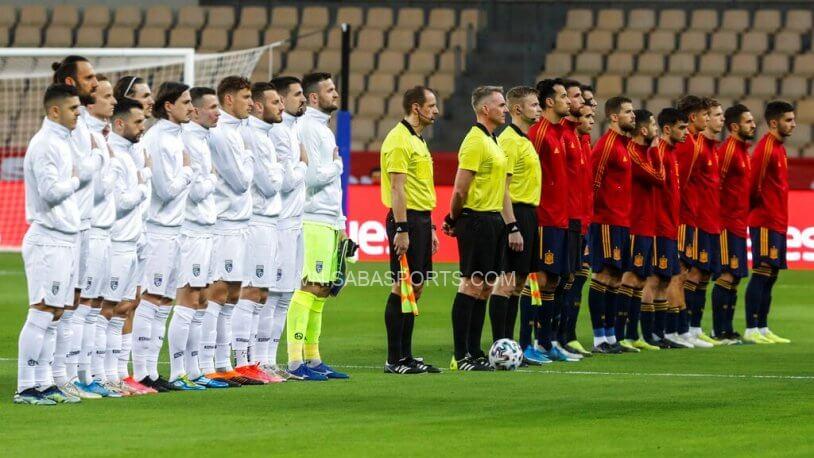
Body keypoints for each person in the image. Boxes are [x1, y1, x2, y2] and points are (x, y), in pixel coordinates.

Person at [16, 84, 83, 405]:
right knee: (42, 312)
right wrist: (76, 178)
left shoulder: (62, 142)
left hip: (65, 239)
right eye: (73, 108)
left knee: (56, 314)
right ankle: (26, 387)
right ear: (54, 111)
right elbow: (50, 192)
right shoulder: (44, 145)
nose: (78, 113)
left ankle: (44, 383)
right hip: (48, 240)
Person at [286, 72, 350, 380]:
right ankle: (295, 361)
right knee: (309, 286)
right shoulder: (309, 128)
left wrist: (340, 222)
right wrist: (337, 166)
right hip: (311, 218)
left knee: (323, 290)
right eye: (330, 90)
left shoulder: (321, 129)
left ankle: (313, 358)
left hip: (327, 219)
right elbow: (309, 176)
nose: (336, 94)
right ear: (314, 98)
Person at [132, 82, 194, 392]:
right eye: (185, 101)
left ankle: (153, 372)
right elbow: (167, 190)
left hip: (175, 231)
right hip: (158, 231)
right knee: (151, 299)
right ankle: (142, 371)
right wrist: (188, 171)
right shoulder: (157, 139)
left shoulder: (176, 137)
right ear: (168, 106)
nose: (190, 107)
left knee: (165, 301)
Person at [442, 86, 510, 372]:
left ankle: (474, 350)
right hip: (476, 218)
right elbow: (460, 189)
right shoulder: (474, 141)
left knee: (483, 288)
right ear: (485, 109)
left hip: (493, 219)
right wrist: (454, 218)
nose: (505, 109)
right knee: (471, 283)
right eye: (501, 104)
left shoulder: (491, 140)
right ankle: (461, 355)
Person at [204, 76, 265, 385]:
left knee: (232, 295)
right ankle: (210, 363)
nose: (251, 102)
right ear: (229, 100)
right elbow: (241, 183)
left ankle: (226, 363)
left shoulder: (240, 132)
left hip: (241, 224)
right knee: (218, 293)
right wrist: (251, 158)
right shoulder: (223, 135)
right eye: (245, 97)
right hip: (225, 224)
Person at [381, 85, 442, 374]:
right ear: (416, 108)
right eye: (431, 106)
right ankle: (394, 360)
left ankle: (406, 356)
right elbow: (397, 188)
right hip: (405, 221)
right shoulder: (398, 140)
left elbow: (418, 188)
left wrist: (428, 226)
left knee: (415, 289)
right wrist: (402, 228)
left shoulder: (417, 140)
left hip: (420, 219)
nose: (436, 111)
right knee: (402, 286)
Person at [52, 56, 101, 399]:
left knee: (76, 303)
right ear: (71, 83)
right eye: (89, 77)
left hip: (85, 226)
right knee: (57, 306)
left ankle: (66, 377)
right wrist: (98, 159)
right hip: (66, 229)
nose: (95, 83)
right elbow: (78, 172)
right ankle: (52, 377)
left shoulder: (82, 123)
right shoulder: (63, 130)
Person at [175, 87, 228, 389]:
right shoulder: (189, 141)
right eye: (211, 107)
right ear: (194, 111)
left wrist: (209, 176)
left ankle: (195, 371)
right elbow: (196, 190)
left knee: (202, 299)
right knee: (189, 298)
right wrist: (212, 177)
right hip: (191, 229)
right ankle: (178, 371)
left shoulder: (204, 141)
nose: (217, 112)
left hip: (206, 229)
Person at [233, 81, 286, 383]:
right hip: (254, 222)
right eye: (275, 102)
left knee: (262, 293)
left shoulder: (265, 136)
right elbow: (269, 184)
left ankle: (253, 360)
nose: (280, 107)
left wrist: (277, 170)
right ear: (257, 105)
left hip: (269, 221)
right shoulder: (253, 135)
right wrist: (280, 170)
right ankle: (242, 361)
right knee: (251, 291)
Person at [525, 79, 579, 363]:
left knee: (555, 280)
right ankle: (527, 342)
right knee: (540, 279)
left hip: (561, 219)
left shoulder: (558, 133)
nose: (568, 101)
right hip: (544, 218)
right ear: (549, 102)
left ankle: (547, 342)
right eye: (562, 97)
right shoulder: (539, 133)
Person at [105, 97, 156, 395]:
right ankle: (105, 375)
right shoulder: (116, 154)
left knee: (126, 306)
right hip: (117, 240)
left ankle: (121, 374)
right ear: (120, 123)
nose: (143, 126)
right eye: (138, 122)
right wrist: (143, 179)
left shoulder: (132, 152)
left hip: (135, 238)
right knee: (110, 309)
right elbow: (121, 203)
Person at [489, 86, 543, 364]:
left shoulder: (525, 140)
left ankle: (511, 347)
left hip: (528, 214)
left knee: (519, 283)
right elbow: (503, 187)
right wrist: (512, 225)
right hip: (515, 214)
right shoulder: (509, 140)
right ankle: (500, 347)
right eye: (534, 105)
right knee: (506, 283)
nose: (539, 109)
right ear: (517, 109)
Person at [78, 75, 123, 396]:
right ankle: (74, 376)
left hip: (107, 232)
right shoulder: (87, 138)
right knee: (83, 307)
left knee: (97, 307)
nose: (113, 101)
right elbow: (98, 189)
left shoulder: (104, 137)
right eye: (106, 96)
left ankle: (92, 375)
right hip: (90, 231)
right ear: (90, 104)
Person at [264, 76, 308, 380]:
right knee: (271, 295)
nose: (302, 99)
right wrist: (303, 166)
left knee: (284, 296)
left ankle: (269, 361)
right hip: (279, 225)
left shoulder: (292, 131)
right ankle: (261, 360)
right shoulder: (278, 134)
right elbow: (284, 182)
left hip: (294, 223)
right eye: (295, 95)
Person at [743, 101, 796, 344]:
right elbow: (753, 185)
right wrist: (758, 212)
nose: (793, 124)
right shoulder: (765, 148)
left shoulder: (779, 149)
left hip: (777, 221)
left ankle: (763, 327)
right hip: (764, 220)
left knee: (772, 273)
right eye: (788, 120)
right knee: (762, 271)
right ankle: (751, 328)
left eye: (794, 120)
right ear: (774, 122)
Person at [588, 96, 635, 354]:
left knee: (616, 278)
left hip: (622, 221)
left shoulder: (624, 146)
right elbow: (593, 183)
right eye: (628, 112)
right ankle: (599, 338)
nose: (633, 116)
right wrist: (592, 218)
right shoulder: (607, 145)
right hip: (606, 220)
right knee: (604, 275)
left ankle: (612, 336)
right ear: (614, 117)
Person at [616, 109, 663, 352]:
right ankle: (619, 334)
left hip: (648, 224)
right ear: (644, 130)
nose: (657, 130)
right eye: (653, 124)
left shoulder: (642, 153)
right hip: (635, 224)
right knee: (630, 277)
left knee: (641, 279)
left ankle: (633, 335)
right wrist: (655, 150)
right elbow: (658, 177)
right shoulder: (635, 153)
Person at [711, 104, 756, 343]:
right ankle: (718, 330)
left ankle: (727, 329)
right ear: (735, 126)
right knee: (726, 275)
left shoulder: (744, 152)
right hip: (726, 224)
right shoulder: (728, 150)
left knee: (736, 277)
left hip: (740, 224)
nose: (753, 125)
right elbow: (717, 185)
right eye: (748, 122)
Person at [672, 95, 712, 348]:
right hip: (681, 217)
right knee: (678, 274)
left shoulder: (695, 142)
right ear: (692, 117)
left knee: (684, 273)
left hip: (690, 216)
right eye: (704, 115)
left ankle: (680, 329)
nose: (707, 119)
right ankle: (677, 329)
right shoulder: (688, 144)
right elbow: (679, 183)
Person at [650, 108, 690, 349]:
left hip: (670, 226)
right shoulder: (659, 153)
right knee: (655, 280)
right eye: (682, 128)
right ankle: (651, 332)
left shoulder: (671, 153)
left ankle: (660, 332)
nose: (685, 132)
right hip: (658, 227)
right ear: (667, 129)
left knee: (665, 281)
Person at [556, 79, 591, 358]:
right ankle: (552, 338)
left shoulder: (579, 138)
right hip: (560, 219)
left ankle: (565, 335)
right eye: (578, 97)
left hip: (579, 219)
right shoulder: (559, 135)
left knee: (574, 278)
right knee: (557, 280)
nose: (584, 103)